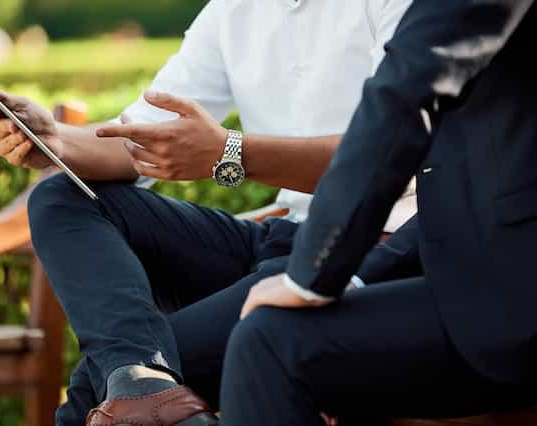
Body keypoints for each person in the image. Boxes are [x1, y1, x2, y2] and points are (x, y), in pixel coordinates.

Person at [0, 1, 415, 424]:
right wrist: (54, 140)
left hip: (369, 249)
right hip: (280, 237)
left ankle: (140, 382)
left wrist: (231, 152)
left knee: (94, 391)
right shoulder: (232, 11)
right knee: (62, 197)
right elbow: (138, 139)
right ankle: (143, 380)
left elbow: (388, 155)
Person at [220, 1, 537, 425]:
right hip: (486, 277)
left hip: (514, 298)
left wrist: (310, 276)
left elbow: (403, 94)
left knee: (270, 343)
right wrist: (355, 275)